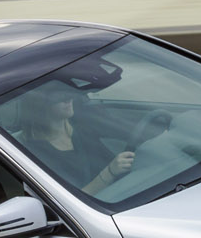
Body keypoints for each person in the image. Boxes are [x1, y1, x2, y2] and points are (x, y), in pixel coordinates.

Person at [8, 82, 138, 200]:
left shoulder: (85, 127)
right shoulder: (37, 154)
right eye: (59, 97)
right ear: (41, 107)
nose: (68, 99)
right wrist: (110, 172)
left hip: (125, 192)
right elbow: (71, 200)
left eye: (68, 93)